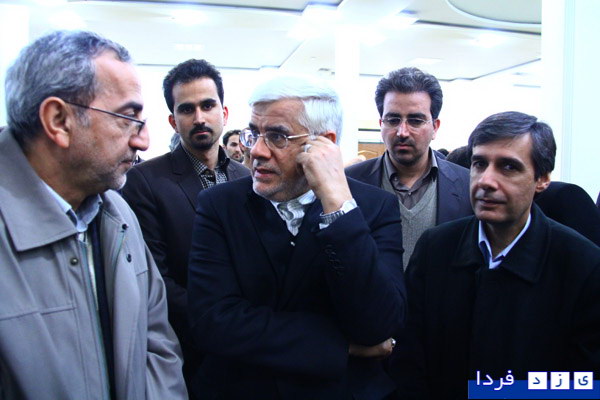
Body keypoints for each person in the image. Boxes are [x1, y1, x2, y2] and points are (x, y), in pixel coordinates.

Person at [187, 75, 406, 399]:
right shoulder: (220, 205)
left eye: (277, 137)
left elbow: (378, 324)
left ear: (324, 144)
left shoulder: (374, 206)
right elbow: (213, 322)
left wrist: (338, 208)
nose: (256, 151)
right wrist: (341, 345)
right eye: (253, 134)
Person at [0, 30, 186, 399]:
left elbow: (157, 345)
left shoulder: (119, 214)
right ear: (59, 120)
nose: (143, 141)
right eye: (128, 118)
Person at [392, 111, 600, 399]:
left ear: (541, 179)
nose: (486, 180)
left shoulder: (582, 265)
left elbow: (583, 383)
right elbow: (408, 359)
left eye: (508, 167)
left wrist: (488, 392)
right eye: (479, 164)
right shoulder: (436, 248)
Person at [122, 58, 249, 396]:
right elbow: (155, 278)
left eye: (208, 105)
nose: (199, 118)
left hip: (251, 350)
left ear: (224, 112)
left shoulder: (247, 177)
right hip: (188, 351)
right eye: (187, 109)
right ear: (173, 121)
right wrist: (222, 321)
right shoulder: (145, 181)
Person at [346, 67, 471, 266]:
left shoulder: (467, 185)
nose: (402, 132)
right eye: (393, 120)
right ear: (381, 124)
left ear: (435, 127)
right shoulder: (349, 182)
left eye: (415, 121)